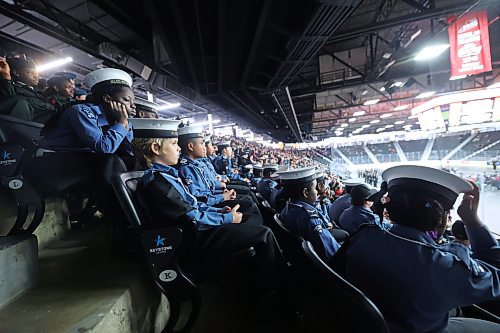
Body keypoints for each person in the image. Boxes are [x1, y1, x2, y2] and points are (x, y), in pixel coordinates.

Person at [333, 165, 500, 333]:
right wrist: (472, 220)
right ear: (442, 220)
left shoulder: (363, 236)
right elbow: (496, 273)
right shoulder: (445, 266)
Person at [132, 118, 285, 291]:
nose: (179, 148)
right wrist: (226, 218)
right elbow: (190, 218)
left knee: (250, 218)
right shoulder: (157, 183)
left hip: (194, 231)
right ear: (155, 148)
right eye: (174, 143)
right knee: (263, 233)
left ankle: (253, 277)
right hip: (190, 240)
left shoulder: (165, 175)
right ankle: (278, 290)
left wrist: (220, 211)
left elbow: (193, 205)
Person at [279, 167, 340, 263]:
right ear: (305, 192)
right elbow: (333, 253)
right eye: (315, 188)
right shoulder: (311, 219)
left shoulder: (288, 208)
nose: (317, 191)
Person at [0, 57, 56, 123]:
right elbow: (8, 101)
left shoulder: (40, 92)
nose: (36, 77)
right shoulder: (12, 87)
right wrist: (6, 77)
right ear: (16, 72)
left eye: (37, 74)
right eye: (30, 73)